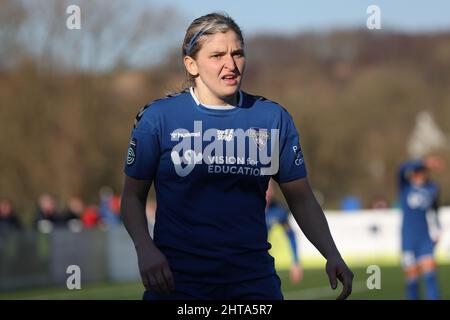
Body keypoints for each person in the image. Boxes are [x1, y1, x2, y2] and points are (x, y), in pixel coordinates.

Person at [120, 12, 353, 300]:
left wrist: (331, 253)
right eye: (217, 55)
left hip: (253, 284)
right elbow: (131, 197)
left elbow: (301, 198)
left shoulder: (272, 118)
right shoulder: (157, 119)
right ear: (191, 64)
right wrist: (145, 249)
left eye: (237, 53)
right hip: (178, 284)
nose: (230, 64)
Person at [398, 155, 443, 300]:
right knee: (412, 281)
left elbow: (435, 210)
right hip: (408, 239)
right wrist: (424, 162)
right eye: (418, 171)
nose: (420, 175)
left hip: (424, 238)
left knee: (430, 276)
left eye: (423, 171)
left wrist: (438, 229)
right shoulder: (405, 187)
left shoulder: (432, 188)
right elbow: (401, 168)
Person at [265, 179, 303, 283]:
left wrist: (295, 263)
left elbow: (291, 235)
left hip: (262, 260)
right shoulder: (247, 206)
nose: (269, 192)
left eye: (271, 189)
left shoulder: (278, 210)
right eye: (266, 188)